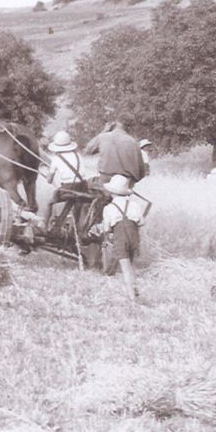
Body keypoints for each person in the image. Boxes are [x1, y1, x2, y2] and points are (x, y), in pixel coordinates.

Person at [93, 174, 149, 302]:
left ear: (112, 193)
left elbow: (106, 228)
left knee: (125, 267)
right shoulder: (134, 205)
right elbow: (141, 222)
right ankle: (134, 287)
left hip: (120, 237)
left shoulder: (109, 208)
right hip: (134, 236)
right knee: (130, 263)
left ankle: (132, 297)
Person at [43, 130, 84, 229]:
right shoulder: (77, 155)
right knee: (75, 200)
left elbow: (49, 180)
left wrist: (47, 175)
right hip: (82, 187)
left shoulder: (56, 159)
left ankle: (44, 226)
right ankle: (71, 227)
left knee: (48, 202)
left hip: (68, 188)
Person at [84, 120, 146, 185]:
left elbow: (88, 150)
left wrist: (104, 131)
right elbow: (141, 173)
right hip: (126, 183)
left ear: (115, 124)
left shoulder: (103, 137)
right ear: (129, 127)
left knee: (86, 184)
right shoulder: (134, 142)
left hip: (105, 180)